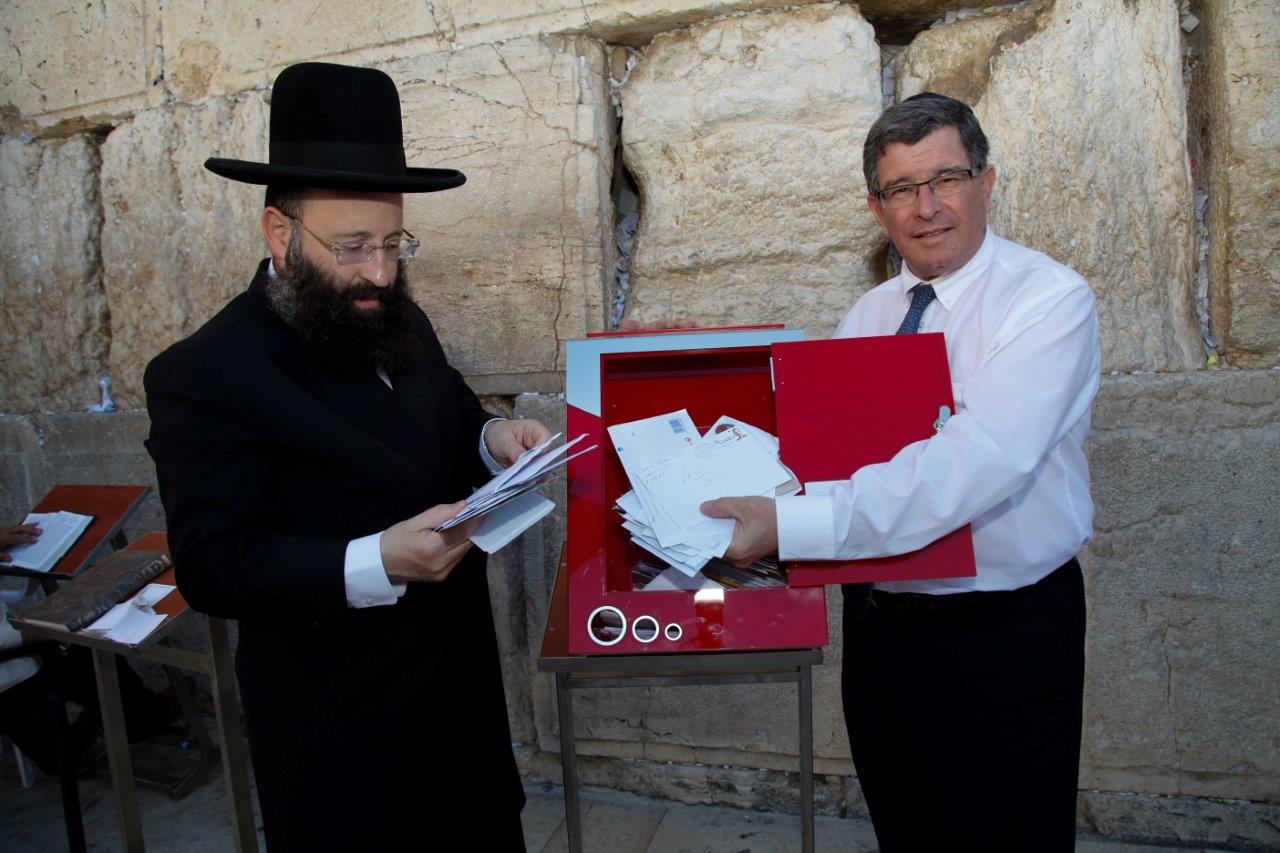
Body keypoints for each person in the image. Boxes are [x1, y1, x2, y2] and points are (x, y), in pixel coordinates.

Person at [144, 62, 550, 849]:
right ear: (279, 231)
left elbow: (448, 408)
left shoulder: (398, 310)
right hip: (343, 743)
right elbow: (214, 563)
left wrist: (490, 436)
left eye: (395, 242)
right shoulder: (206, 370)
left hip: (459, 713)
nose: (380, 271)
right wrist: (378, 560)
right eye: (355, 245)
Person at [702, 92, 1100, 850]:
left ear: (985, 182)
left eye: (945, 178)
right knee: (906, 828)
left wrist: (789, 524)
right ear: (876, 208)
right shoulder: (869, 316)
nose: (927, 207)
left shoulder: (1049, 301)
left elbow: (975, 463)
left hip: (1002, 636)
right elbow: (814, 453)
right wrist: (690, 376)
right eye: (901, 190)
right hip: (883, 632)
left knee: (1007, 836)